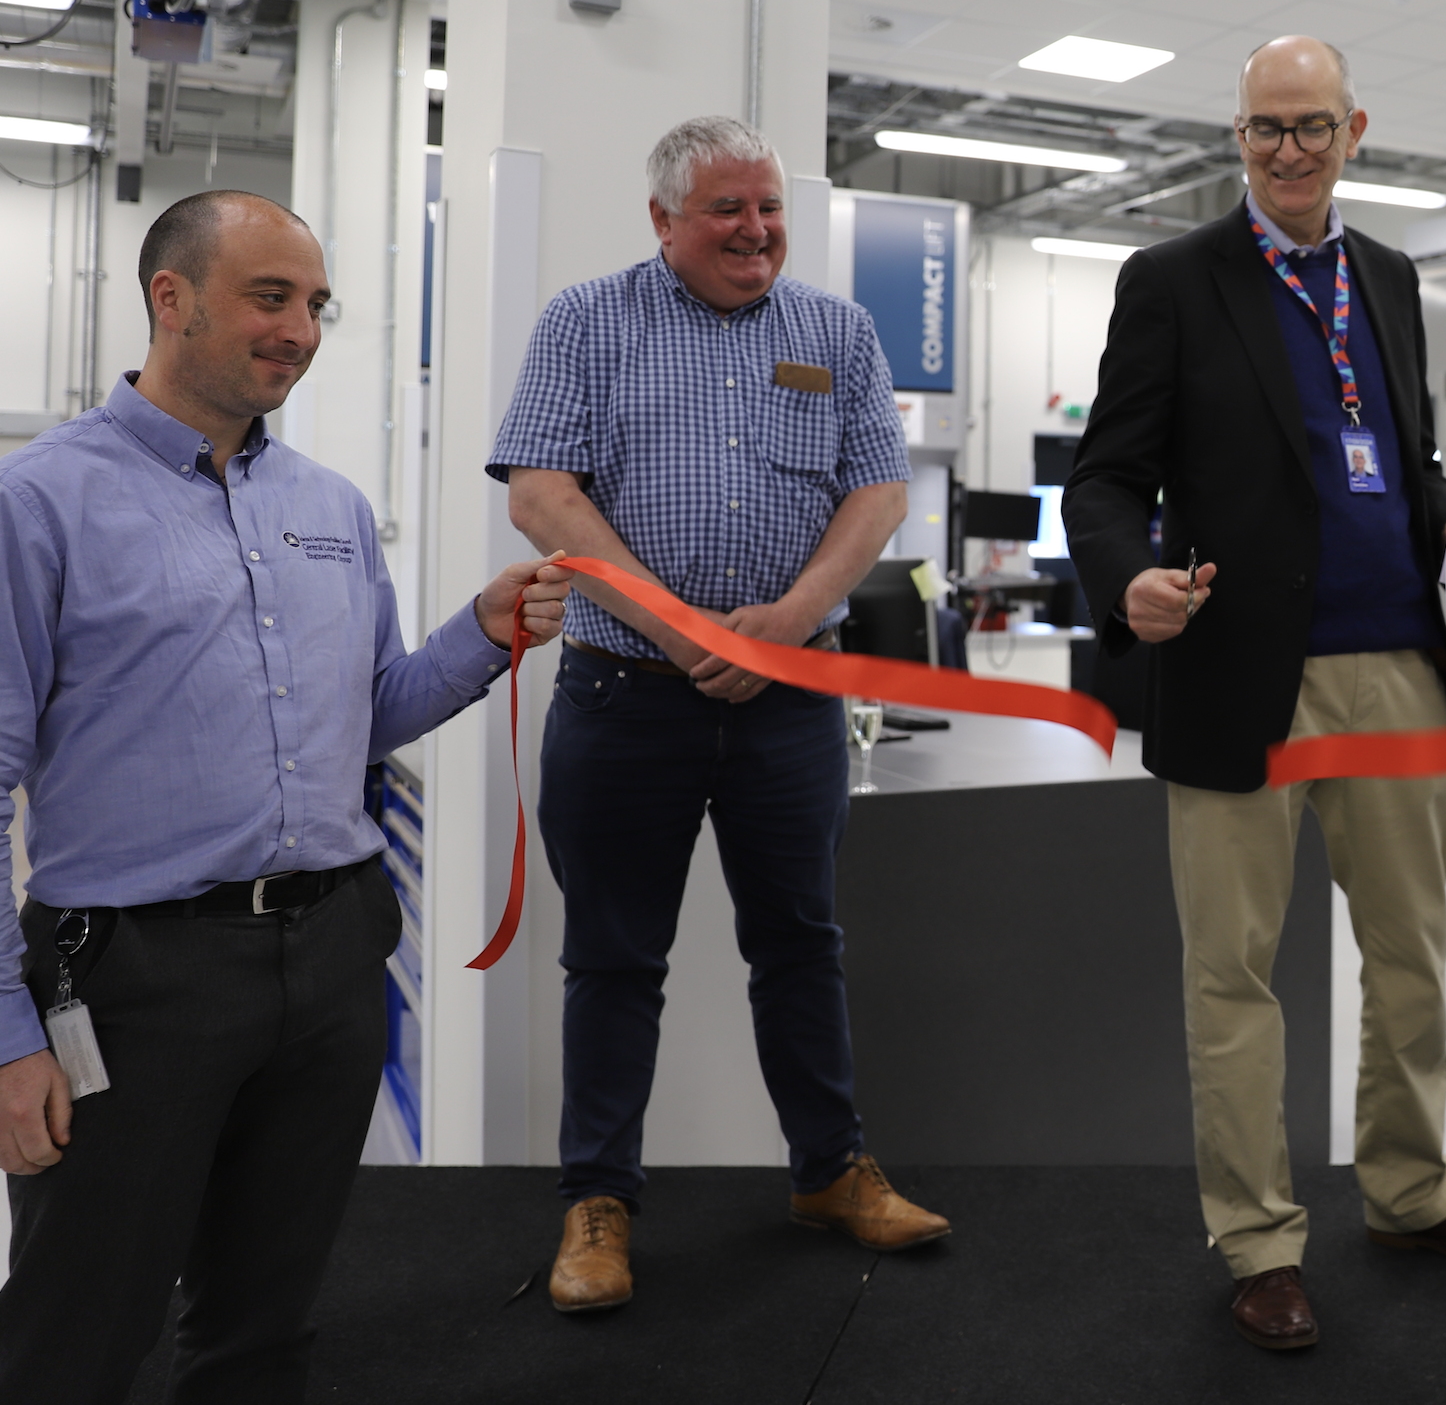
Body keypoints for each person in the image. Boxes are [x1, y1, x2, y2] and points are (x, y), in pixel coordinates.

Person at [0, 190, 573, 1400]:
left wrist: (479, 633)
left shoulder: (330, 510)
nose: (301, 329)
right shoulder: (39, 502)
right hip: (134, 979)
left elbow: (370, 715)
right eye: (272, 297)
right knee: (80, 1329)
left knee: (265, 1325)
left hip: (330, 958)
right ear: (173, 298)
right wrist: (5, 1039)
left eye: (315, 303)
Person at [1064, 36, 1446, 1352]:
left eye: (1311, 126)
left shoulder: (1387, 276)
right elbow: (1103, 479)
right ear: (1237, 136)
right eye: (1266, 128)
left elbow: (1395, 451)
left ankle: (1409, 1192)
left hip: (1396, 666)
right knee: (1234, 974)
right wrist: (1126, 579)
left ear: (1354, 130)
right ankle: (1259, 1240)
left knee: (1412, 957)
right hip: (1235, 676)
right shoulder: (1171, 280)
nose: (1288, 150)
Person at [490, 115, 942, 1314]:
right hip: (621, 695)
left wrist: (787, 619)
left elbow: (878, 489)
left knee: (800, 941)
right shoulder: (587, 320)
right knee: (613, 956)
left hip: (788, 701)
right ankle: (597, 1204)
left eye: (769, 209)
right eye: (727, 211)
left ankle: (830, 1170)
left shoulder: (835, 330)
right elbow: (542, 491)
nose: (756, 231)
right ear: (662, 222)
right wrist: (681, 627)